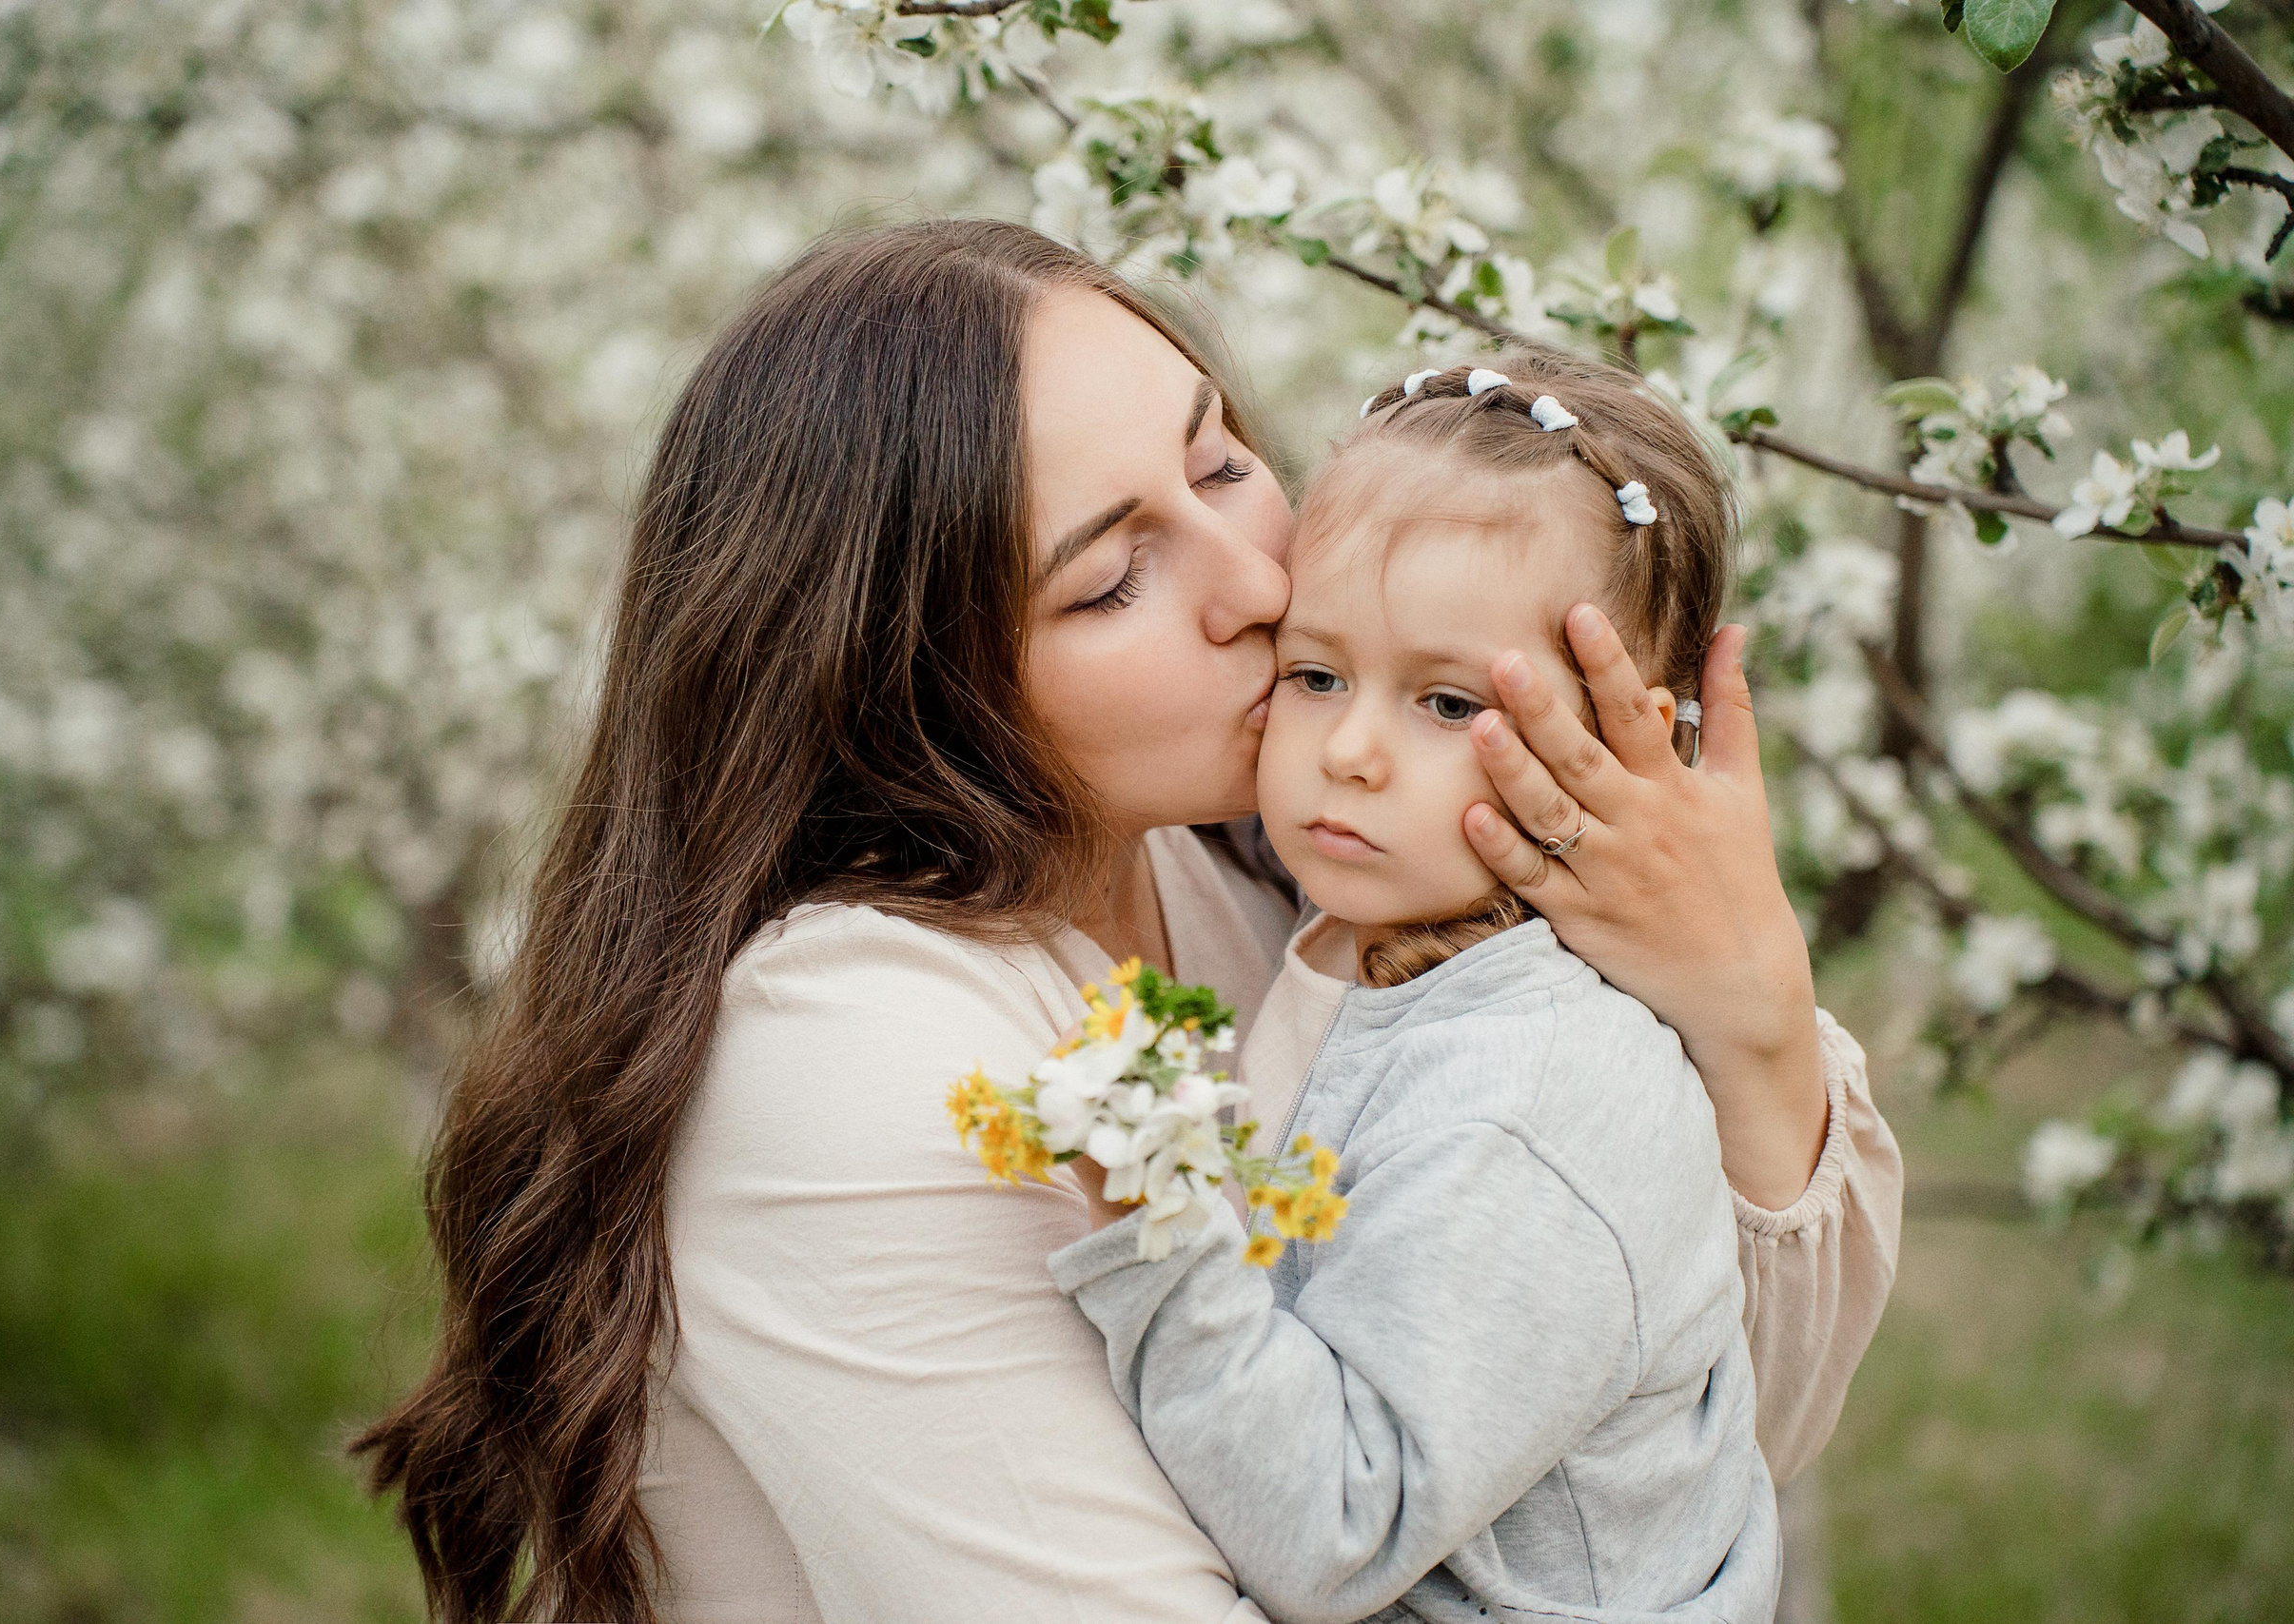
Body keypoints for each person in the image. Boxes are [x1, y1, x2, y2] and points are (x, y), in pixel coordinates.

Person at [353, 219, 1902, 1624]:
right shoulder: (854, 1058)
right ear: (912, 681)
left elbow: (1670, 1449)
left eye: (1222, 461)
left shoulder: (1290, 897)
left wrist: (1747, 1004)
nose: (1257, 581)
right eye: (1111, 581)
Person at [1052, 352, 1780, 1624]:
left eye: (1448, 703)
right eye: (1317, 672)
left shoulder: (1528, 1096)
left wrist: (1156, 1223)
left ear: (1620, 736)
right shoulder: (1364, 938)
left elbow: (1338, 1529)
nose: (1349, 751)